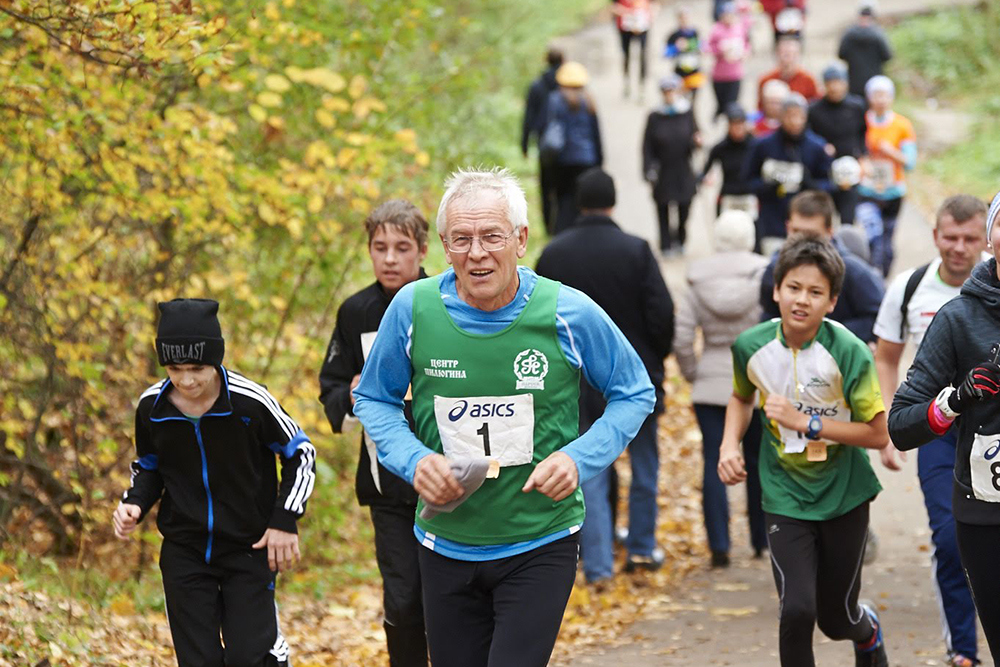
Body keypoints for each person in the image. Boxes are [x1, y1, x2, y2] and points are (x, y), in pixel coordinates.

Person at [353, 168, 655, 667]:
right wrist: (414, 460)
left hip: (541, 540)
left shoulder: (568, 313)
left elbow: (634, 392)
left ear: (520, 239)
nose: (477, 253)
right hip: (446, 542)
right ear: (445, 247)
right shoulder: (412, 309)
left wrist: (580, 459)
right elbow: (374, 398)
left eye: (492, 236)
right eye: (462, 239)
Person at [113, 298, 316, 667]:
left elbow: (301, 454)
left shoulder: (250, 403)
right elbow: (149, 465)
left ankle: (273, 651)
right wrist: (135, 502)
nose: (187, 380)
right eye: (175, 368)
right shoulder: (152, 408)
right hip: (185, 549)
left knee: (248, 658)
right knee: (198, 660)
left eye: (197, 367)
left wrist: (284, 520)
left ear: (216, 359)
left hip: (248, 546)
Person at [719, 235, 890, 667]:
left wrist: (808, 422)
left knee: (837, 619)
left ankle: (866, 631)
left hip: (844, 494)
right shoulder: (750, 346)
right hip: (784, 493)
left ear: (832, 302)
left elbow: (877, 433)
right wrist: (728, 444)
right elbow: (742, 396)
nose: (802, 300)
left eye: (815, 292)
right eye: (793, 288)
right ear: (776, 290)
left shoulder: (849, 352)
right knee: (797, 610)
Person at [535, 168, 674, 583]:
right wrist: (653, 357)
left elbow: (538, 316)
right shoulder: (636, 250)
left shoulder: (555, 254)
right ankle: (642, 549)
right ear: (613, 201)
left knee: (585, 468)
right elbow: (661, 313)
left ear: (578, 203)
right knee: (645, 464)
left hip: (574, 381)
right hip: (633, 374)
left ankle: (596, 564)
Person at [887, 191, 1000, 663]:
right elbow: (901, 424)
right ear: (994, 237)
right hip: (986, 512)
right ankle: (963, 649)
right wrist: (955, 399)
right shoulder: (958, 318)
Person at [318, 201, 430, 667]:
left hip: (453, 480)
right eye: (379, 247)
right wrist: (354, 391)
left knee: (449, 601)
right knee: (403, 601)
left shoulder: (449, 299)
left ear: (423, 250)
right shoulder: (355, 312)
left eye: (401, 248)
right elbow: (332, 399)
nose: (389, 258)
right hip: (387, 486)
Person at [674, 210, 769, 567]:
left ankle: (719, 545)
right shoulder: (764, 273)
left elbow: (683, 336)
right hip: (758, 380)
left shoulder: (697, 277)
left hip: (711, 382)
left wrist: (694, 374)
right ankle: (762, 539)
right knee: (761, 461)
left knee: (714, 460)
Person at [759, 191, 884, 344]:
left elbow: (879, 317)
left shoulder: (853, 271)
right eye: (796, 232)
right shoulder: (775, 266)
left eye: (811, 234)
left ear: (830, 232)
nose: (802, 241)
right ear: (788, 227)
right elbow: (768, 316)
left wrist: (828, 336)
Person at [744, 93, 833, 256]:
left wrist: (809, 183)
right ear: (781, 116)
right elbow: (747, 180)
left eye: (799, 116)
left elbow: (829, 185)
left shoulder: (817, 147)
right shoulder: (763, 145)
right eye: (789, 116)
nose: (794, 121)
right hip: (771, 221)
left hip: (806, 225)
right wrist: (767, 186)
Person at [858, 75, 916, 277]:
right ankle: (872, 274)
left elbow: (910, 162)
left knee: (887, 238)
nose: (880, 100)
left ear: (891, 97)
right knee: (872, 236)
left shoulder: (902, 125)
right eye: (876, 95)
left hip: (893, 191)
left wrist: (890, 151)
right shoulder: (862, 122)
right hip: (867, 190)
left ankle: (884, 277)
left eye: (884, 95)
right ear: (869, 97)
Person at [643, 74, 701, 257]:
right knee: (662, 208)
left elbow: (695, 135)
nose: (669, 95)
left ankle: (680, 239)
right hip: (663, 169)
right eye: (666, 92)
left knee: (685, 205)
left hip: (683, 168)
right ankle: (666, 243)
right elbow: (646, 146)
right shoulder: (655, 116)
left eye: (672, 91)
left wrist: (697, 141)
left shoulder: (686, 112)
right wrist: (647, 169)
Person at [544, 61, 604, 235]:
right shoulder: (589, 101)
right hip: (587, 160)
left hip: (562, 160)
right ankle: (584, 236)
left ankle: (563, 235)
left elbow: (550, 129)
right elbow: (596, 134)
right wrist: (599, 162)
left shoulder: (555, 100)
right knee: (584, 202)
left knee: (563, 200)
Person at [809, 63, 868, 226]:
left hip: (850, 170)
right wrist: (821, 148)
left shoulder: (856, 106)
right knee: (823, 219)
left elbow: (863, 133)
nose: (835, 87)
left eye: (838, 82)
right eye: (831, 83)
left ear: (846, 84)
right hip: (824, 172)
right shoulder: (814, 110)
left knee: (848, 219)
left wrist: (863, 157)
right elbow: (808, 137)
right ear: (825, 85)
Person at [521, 47, 564, 235]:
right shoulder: (566, 87)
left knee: (546, 187)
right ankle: (563, 224)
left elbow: (528, 117)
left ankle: (549, 228)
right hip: (564, 145)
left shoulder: (537, 86)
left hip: (544, 143)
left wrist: (524, 143)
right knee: (563, 186)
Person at [699, 103, 757, 217]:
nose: (738, 128)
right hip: (728, 194)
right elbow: (705, 171)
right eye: (734, 124)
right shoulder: (720, 148)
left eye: (740, 124)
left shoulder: (755, 145)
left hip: (750, 195)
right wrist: (704, 178)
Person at [838, 1, 893, 99]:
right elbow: (887, 55)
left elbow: (841, 54)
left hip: (854, 80)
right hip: (874, 81)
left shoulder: (849, 33)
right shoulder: (878, 34)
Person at [707, 2, 752, 119]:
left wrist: (745, 53)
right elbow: (708, 47)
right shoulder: (716, 29)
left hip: (735, 74)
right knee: (721, 102)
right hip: (719, 74)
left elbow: (747, 44)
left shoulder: (740, 28)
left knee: (731, 104)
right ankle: (718, 112)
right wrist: (720, 50)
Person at [758, 36, 819, 108]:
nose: (788, 59)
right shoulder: (766, 80)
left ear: (798, 55)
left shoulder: (808, 80)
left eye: (791, 54)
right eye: (784, 54)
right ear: (777, 54)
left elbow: (816, 107)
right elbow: (760, 109)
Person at [613, 0, 654, 99]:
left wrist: (645, 17)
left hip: (642, 27)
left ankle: (642, 86)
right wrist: (628, 12)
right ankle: (627, 82)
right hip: (625, 28)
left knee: (643, 55)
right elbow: (614, 7)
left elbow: (654, 6)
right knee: (626, 56)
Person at [665, 5, 704, 101]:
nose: (684, 20)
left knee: (693, 100)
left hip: (694, 70)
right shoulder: (673, 35)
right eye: (681, 17)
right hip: (679, 72)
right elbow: (666, 53)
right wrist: (676, 48)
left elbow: (702, 47)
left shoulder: (694, 32)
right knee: (681, 99)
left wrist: (693, 46)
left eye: (686, 17)